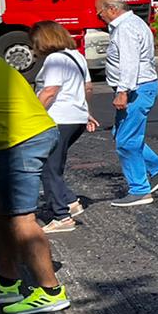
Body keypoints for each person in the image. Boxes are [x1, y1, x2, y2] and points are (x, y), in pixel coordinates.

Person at [0, 54, 70, 314]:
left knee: (21, 217)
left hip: (25, 138)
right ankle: (7, 282)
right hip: (15, 137)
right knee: (0, 209)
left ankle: (51, 292)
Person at [97, 0, 158, 206]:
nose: (99, 17)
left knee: (126, 141)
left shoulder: (125, 29)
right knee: (122, 134)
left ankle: (140, 190)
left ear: (111, 9)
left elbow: (129, 62)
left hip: (135, 89)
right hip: (139, 87)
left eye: (99, 13)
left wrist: (123, 91)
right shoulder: (133, 23)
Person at [31, 22, 97, 233]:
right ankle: (69, 201)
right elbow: (87, 87)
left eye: (35, 42)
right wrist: (85, 111)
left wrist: (33, 115)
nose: (34, 47)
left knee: (47, 167)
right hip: (75, 117)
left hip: (58, 118)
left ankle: (62, 216)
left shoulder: (54, 59)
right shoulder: (76, 56)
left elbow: (50, 91)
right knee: (54, 165)